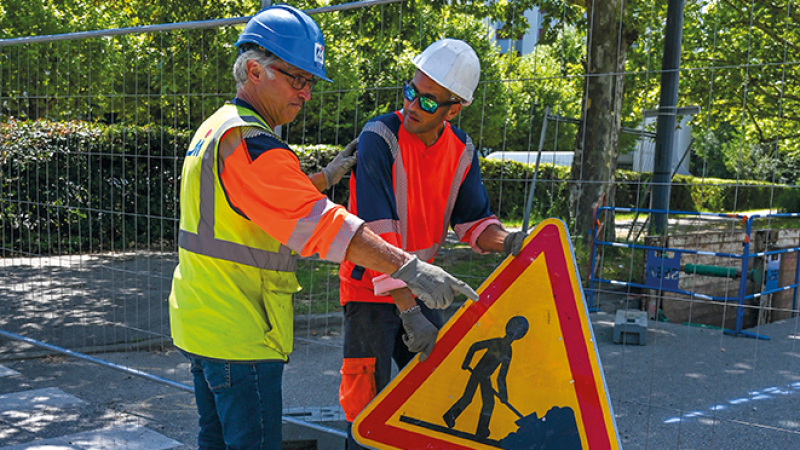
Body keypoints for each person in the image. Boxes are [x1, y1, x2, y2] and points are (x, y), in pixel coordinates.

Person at [168, 7, 478, 450]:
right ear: (255, 70)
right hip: (240, 332)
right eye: (298, 79)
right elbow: (326, 228)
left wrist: (324, 179)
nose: (306, 94)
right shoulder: (255, 144)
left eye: (310, 82)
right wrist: (410, 269)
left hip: (200, 322)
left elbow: (251, 204)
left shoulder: (218, 128)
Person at [337, 38, 528, 448]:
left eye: (427, 101)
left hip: (422, 292)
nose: (411, 105)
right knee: (365, 414)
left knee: (430, 400)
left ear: (454, 109)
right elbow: (377, 234)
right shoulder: (379, 137)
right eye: (411, 91)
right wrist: (409, 311)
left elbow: (474, 220)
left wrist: (510, 241)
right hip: (368, 291)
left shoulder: (462, 151)